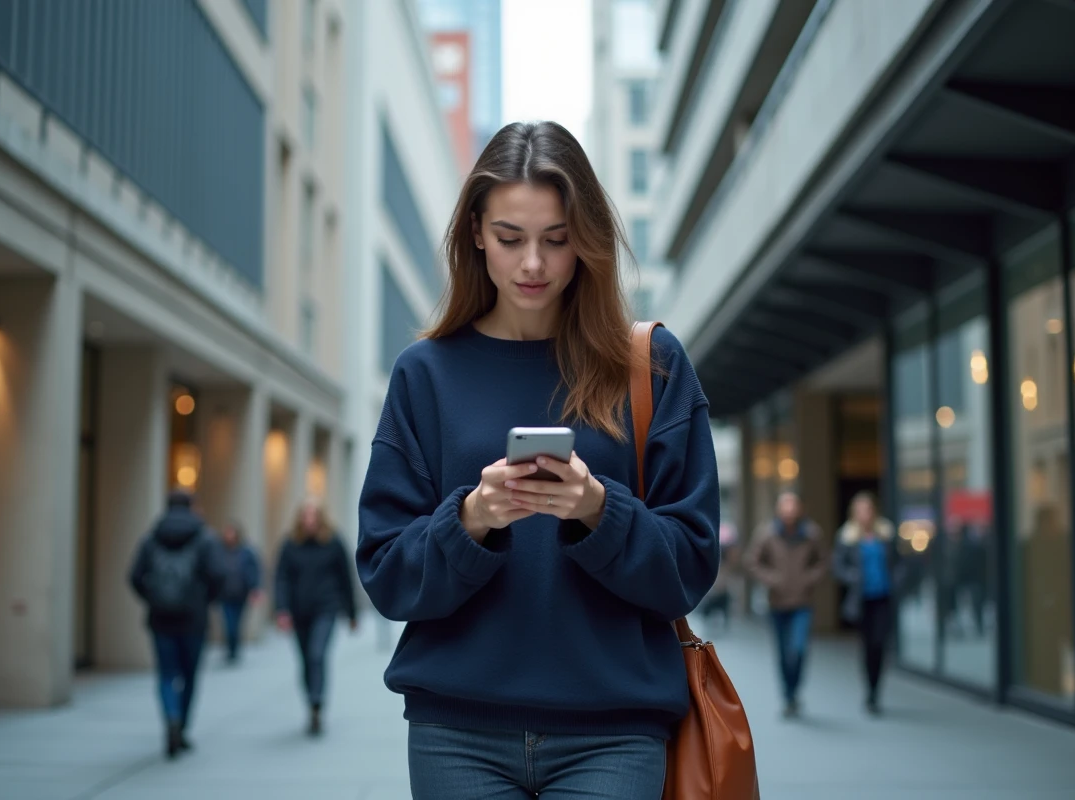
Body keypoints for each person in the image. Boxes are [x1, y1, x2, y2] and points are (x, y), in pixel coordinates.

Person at [356, 121, 721, 799]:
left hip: (614, 733)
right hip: (456, 734)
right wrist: (470, 519)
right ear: (474, 232)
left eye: (556, 240)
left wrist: (597, 509)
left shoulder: (652, 368)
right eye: (510, 238)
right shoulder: (424, 375)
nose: (533, 264)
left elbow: (692, 565)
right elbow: (385, 572)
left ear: (586, 239)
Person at [128, 489, 223, 758]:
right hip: (194, 619)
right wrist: (204, 601)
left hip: (161, 619)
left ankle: (170, 716)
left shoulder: (151, 538)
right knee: (190, 675)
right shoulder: (205, 538)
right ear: (192, 507)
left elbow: (134, 577)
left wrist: (153, 598)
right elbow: (218, 575)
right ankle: (181, 727)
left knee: (167, 673)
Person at [275, 498, 358, 736]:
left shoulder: (333, 543)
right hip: (299, 611)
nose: (309, 521)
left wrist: (351, 613)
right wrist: (282, 610)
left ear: (321, 519)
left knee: (317, 655)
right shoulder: (291, 545)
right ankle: (311, 704)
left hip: (326, 608)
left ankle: (317, 703)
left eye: (314, 516)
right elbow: (281, 578)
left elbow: (346, 579)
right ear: (300, 520)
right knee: (305, 661)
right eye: (305, 517)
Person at [744, 491, 827, 718]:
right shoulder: (767, 533)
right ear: (779, 510)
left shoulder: (811, 534)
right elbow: (752, 562)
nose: (789, 512)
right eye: (785, 507)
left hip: (802, 602)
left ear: (799, 509)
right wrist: (772, 580)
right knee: (782, 653)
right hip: (777, 602)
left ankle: (795, 689)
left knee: (798, 650)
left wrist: (808, 579)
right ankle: (788, 696)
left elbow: (822, 561)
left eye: (793, 507)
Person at [833, 491, 899, 714]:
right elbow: (838, 566)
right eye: (860, 510)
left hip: (883, 597)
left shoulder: (886, 533)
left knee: (880, 644)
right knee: (867, 646)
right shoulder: (847, 536)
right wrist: (853, 577)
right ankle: (869, 691)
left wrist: (896, 580)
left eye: (868, 509)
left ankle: (876, 689)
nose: (864, 514)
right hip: (862, 600)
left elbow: (901, 562)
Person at [217, 521, 262, 664]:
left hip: (241, 594)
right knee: (229, 624)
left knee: (237, 623)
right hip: (225, 594)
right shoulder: (220, 551)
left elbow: (254, 570)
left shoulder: (246, 552)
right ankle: (231, 650)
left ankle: (235, 649)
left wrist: (255, 588)